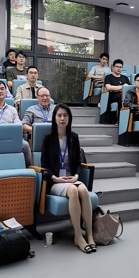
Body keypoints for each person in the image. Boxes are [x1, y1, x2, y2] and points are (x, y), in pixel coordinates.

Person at [41, 105, 97, 253]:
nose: (62, 118)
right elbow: (44, 165)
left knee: (83, 189)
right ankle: (78, 236)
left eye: (65, 115)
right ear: (54, 118)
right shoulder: (48, 138)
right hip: (56, 181)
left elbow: (78, 163)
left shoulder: (74, 137)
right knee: (73, 191)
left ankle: (89, 235)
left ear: (69, 118)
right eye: (59, 115)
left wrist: (76, 176)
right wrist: (55, 178)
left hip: (71, 178)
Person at [0, 80, 31, 165]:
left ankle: (28, 167)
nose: (0, 91)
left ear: (6, 91)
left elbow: (18, 126)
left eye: (2, 89)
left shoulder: (12, 109)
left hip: (11, 138)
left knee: (25, 145)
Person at [99, 59, 130, 125]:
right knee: (121, 97)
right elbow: (109, 87)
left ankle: (127, 120)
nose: (119, 68)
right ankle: (119, 120)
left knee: (126, 97)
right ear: (113, 67)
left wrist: (116, 88)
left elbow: (128, 88)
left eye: (120, 67)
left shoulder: (125, 78)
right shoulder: (108, 77)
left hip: (123, 95)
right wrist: (122, 87)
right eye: (117, 67)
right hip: (112, 96)